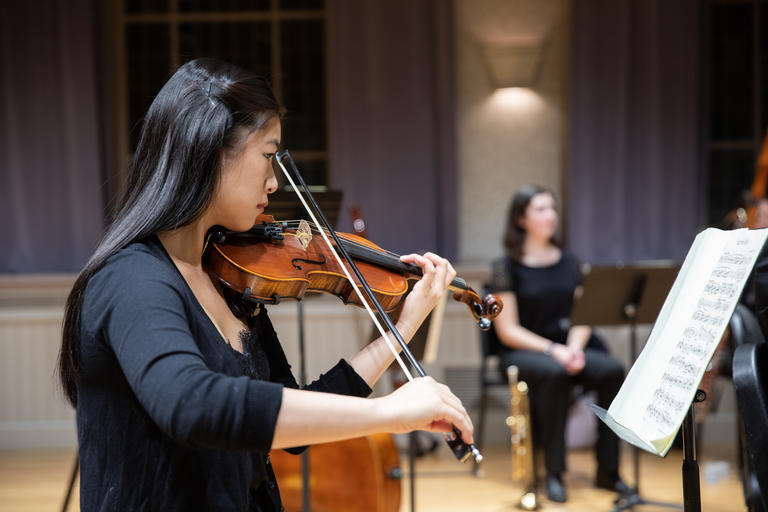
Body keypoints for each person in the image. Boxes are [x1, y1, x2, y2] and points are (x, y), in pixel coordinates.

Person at [57, 58, 473, 511]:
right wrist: (388, 413)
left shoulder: (229, 282)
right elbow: (193, 405)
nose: (274, 182)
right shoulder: (132, 280)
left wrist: (399, 332)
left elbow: (290, 420)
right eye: (268, 156)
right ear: (213, 151)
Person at [488, 184, 631, 503]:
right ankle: (553, 472)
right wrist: (555, 351)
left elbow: (583, 313)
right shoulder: (504, 267)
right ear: (521, 219)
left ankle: (609, 471)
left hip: (568, 348)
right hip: (522, 352)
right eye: (540, 209)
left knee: (611, 370)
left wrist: (575, 349)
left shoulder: (569, 260)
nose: (551, 215)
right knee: (555, 373)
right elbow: (507, 330)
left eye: (552, 208)